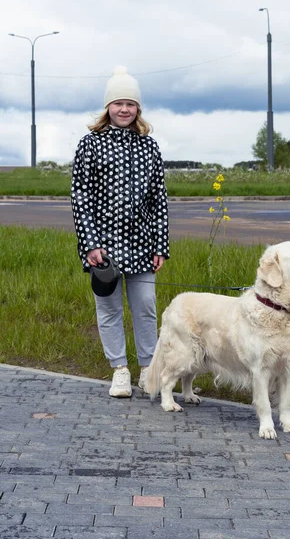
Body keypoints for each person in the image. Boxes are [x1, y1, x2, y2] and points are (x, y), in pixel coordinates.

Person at [71, 65, 169, 398]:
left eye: (130, 103)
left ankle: (149, 370)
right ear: (108, 107)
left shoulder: (150, 147)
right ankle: (120, 370)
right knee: (109, 309)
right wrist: (90, 244)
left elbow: (159, 200)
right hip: (104, 249)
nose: (124, 109)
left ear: (138, 108)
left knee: (145, 307)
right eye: (117, 103)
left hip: (143, 246)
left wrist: (161, 246)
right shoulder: (90, 144)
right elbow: (79, 197)